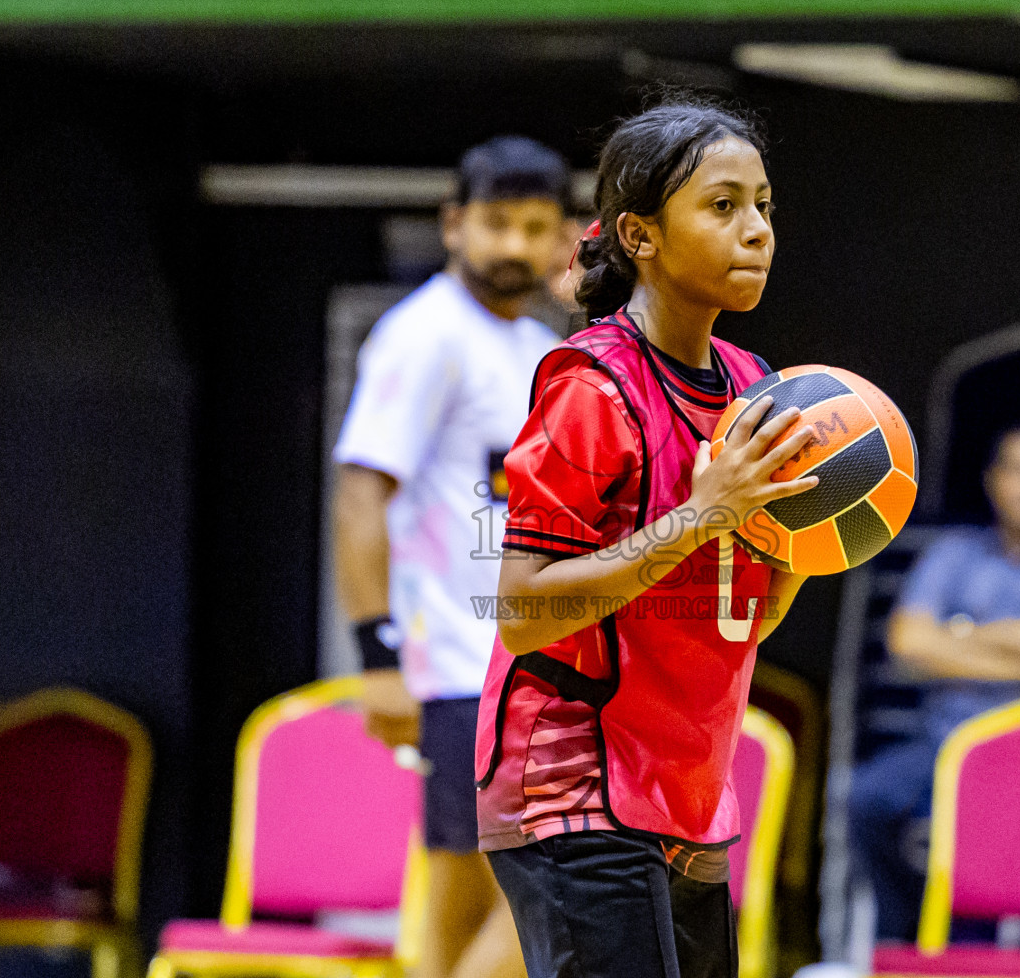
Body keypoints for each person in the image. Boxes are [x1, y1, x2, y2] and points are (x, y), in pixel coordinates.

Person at [474, 99, 815, 978]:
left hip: (688, 782)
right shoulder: (591, 387)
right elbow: (522, 615)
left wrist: (806, 547)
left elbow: (734, 625)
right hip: (570, 780)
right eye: (724, 205)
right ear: (641, 234)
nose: (757, 232)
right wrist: (703, 516)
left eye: (765, 207)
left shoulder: (754, 389)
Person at [332, 135, 572, 978]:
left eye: (534, 226)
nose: (513, 245)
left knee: (476, 909)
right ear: (453, 224)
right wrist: (377, 657)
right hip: (465, 676)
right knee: (546, 892)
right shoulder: (424, 335)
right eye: (496, 223)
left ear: (562, 237)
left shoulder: (538, 351)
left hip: (530, 669)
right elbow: (362, 495)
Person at [849, 424, 1020, 942]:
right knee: (867, 798)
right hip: (945, 741)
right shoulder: (951, 555)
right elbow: (910, 642)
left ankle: (993, 953)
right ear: (994, 481)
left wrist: (957, 637)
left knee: (988, 822)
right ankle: (901, 944)